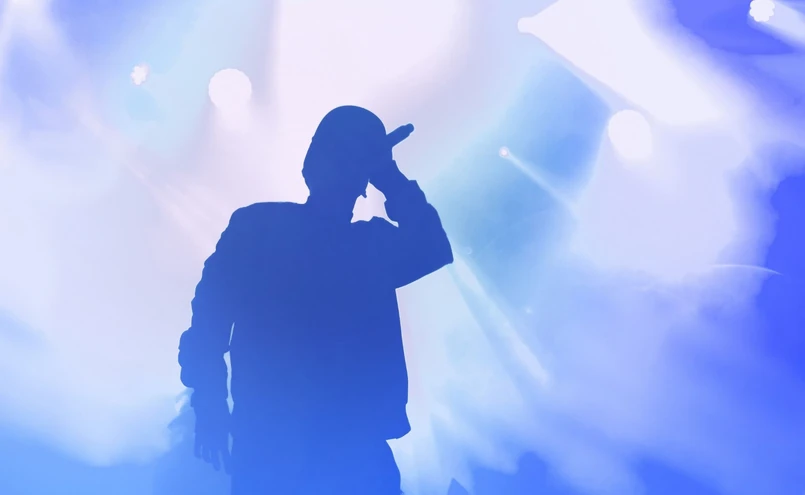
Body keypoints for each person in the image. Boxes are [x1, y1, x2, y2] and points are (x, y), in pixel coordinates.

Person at [177, 105, 454, 494]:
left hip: (315, 446)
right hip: (306, 447)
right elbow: (209, 322)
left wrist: (210, 405)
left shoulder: (265, 229)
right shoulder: (271, 231)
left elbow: (208, 324)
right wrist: (387, 174)